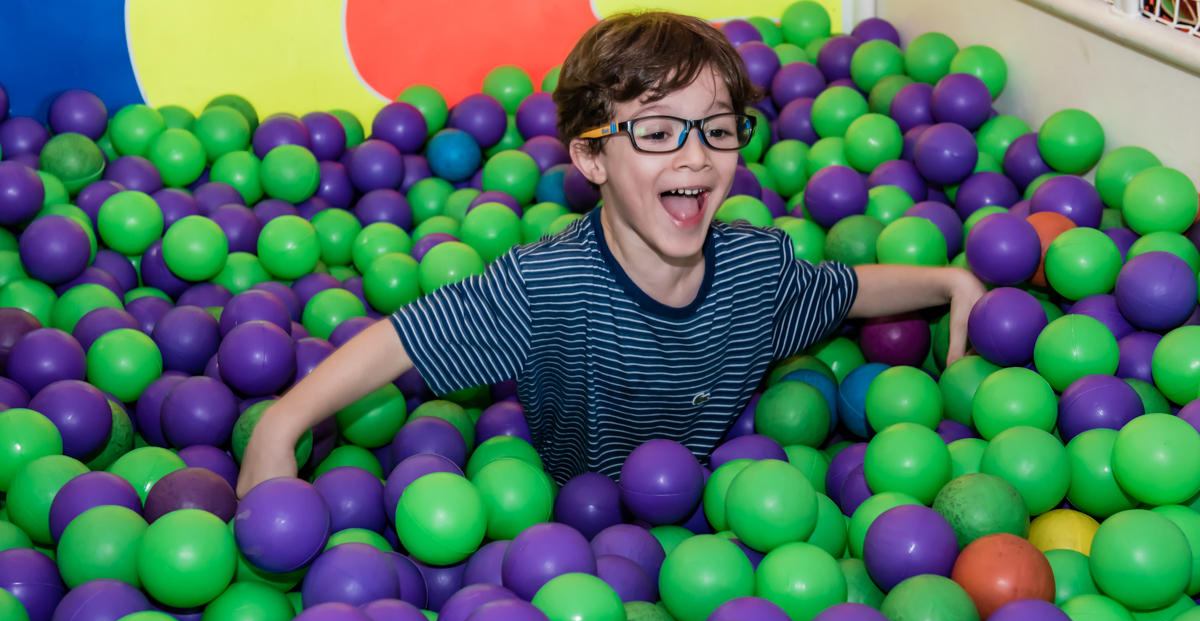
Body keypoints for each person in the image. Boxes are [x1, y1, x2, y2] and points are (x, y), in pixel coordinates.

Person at [237, 11, 984, 497]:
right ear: (591, 159)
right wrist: (281, 426)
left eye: (718, 129)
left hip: (716, 501)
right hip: (571, 516)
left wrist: (947, 281)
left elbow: (845, 289)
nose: (694, 157)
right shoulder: (548, 285)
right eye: (658, 132)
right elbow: (400, 340)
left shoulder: (757, 271)